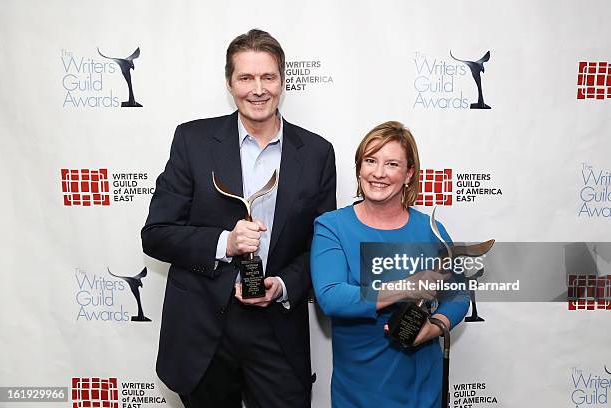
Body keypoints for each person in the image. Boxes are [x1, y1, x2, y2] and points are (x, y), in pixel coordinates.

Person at [142, 29, 336, 408]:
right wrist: (224, 244)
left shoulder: (316, 152)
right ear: (230, 83)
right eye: (246, 77)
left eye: (268, 77)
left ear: (283, 81)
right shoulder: (192, 141)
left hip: (276, 329)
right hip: (203, 330)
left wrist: (281, 285)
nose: (258, 89)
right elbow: (156, 234)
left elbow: (322, 246)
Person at [310, 121, 469, 408]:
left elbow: (458, 293)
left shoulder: (430, 230)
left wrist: (434, 327)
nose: (379, 173)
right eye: (370, 161)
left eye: (392, 164)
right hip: (359, 390)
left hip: (422, 388)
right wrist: (406, 287)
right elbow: (331, 296)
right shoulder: (332, 227)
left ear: (409, 174)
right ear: (359, 168)